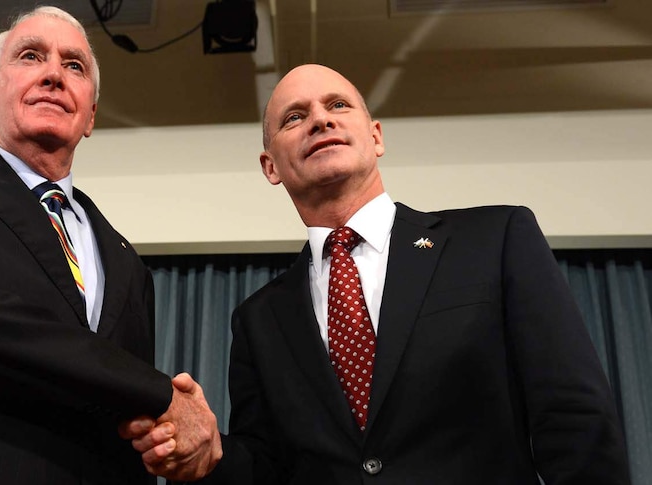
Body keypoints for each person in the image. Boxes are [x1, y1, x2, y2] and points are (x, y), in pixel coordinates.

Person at [123, 64, 631, 484]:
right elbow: (270, 468)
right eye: (294, 117)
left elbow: (573, 416)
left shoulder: (495, 238)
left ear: (376, 136)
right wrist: (211, 455)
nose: (320, 121)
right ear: (270, 165)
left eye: (337, 106)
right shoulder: (258, 320)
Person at [0, 6, 219, 485]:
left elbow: (122, 414)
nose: (53, 74)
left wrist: (170, 441)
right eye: (30, 56)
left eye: (74, 66)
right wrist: (158, 393)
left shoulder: (128, 263)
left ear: (90, 114)